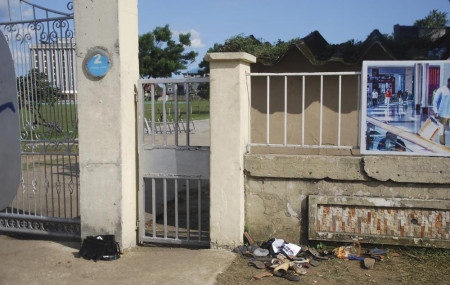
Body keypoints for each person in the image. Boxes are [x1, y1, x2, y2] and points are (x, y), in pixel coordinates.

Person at [432, 77, 450, 145]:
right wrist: (436, 112)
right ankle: (442, 146)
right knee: (442, 132)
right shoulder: (441, 90)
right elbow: (435, 101)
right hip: (442, 114)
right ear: (448, 82)